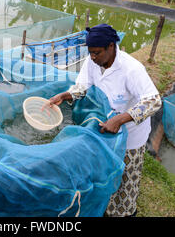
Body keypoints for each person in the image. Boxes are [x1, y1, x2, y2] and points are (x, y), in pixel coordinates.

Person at [48, 23, 162, 217]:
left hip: (131, 136)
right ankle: (104, 207)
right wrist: (66, 95)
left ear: (111, 46)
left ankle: (126, 212)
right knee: (107, 173)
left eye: (97, 53)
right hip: (106, 129)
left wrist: (120, 120)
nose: (93, 57)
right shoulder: (92, 61)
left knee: (127, 179)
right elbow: (82, 85)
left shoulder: (131, 69)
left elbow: (153, 101)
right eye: (90, 52)